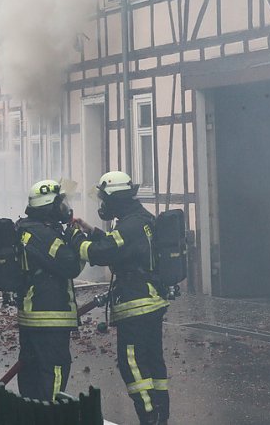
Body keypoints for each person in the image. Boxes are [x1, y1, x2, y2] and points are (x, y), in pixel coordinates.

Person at [73, 171, 170, 425]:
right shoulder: (141, 219)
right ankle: (161, 416)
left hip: (136, 304)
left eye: (105, 199)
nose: (103, 205)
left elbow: (102, 253)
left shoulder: (129, 226)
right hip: (151, 300)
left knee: (133, 364)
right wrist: (91, 230)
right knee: (153, 361)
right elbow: (119, 246)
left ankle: (149, 417)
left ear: (116, 199)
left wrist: (77, 240)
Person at [14, 179, 86, 401]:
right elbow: (70, 265)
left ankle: (33, 411)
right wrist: (77, 238)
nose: (64, 208)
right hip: (49, 315)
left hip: (34, 314)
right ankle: (51, 413)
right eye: (60, 204)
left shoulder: (28, 229)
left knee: (32, 368)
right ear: (49, 207)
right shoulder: (43, 235)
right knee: (54, 368)